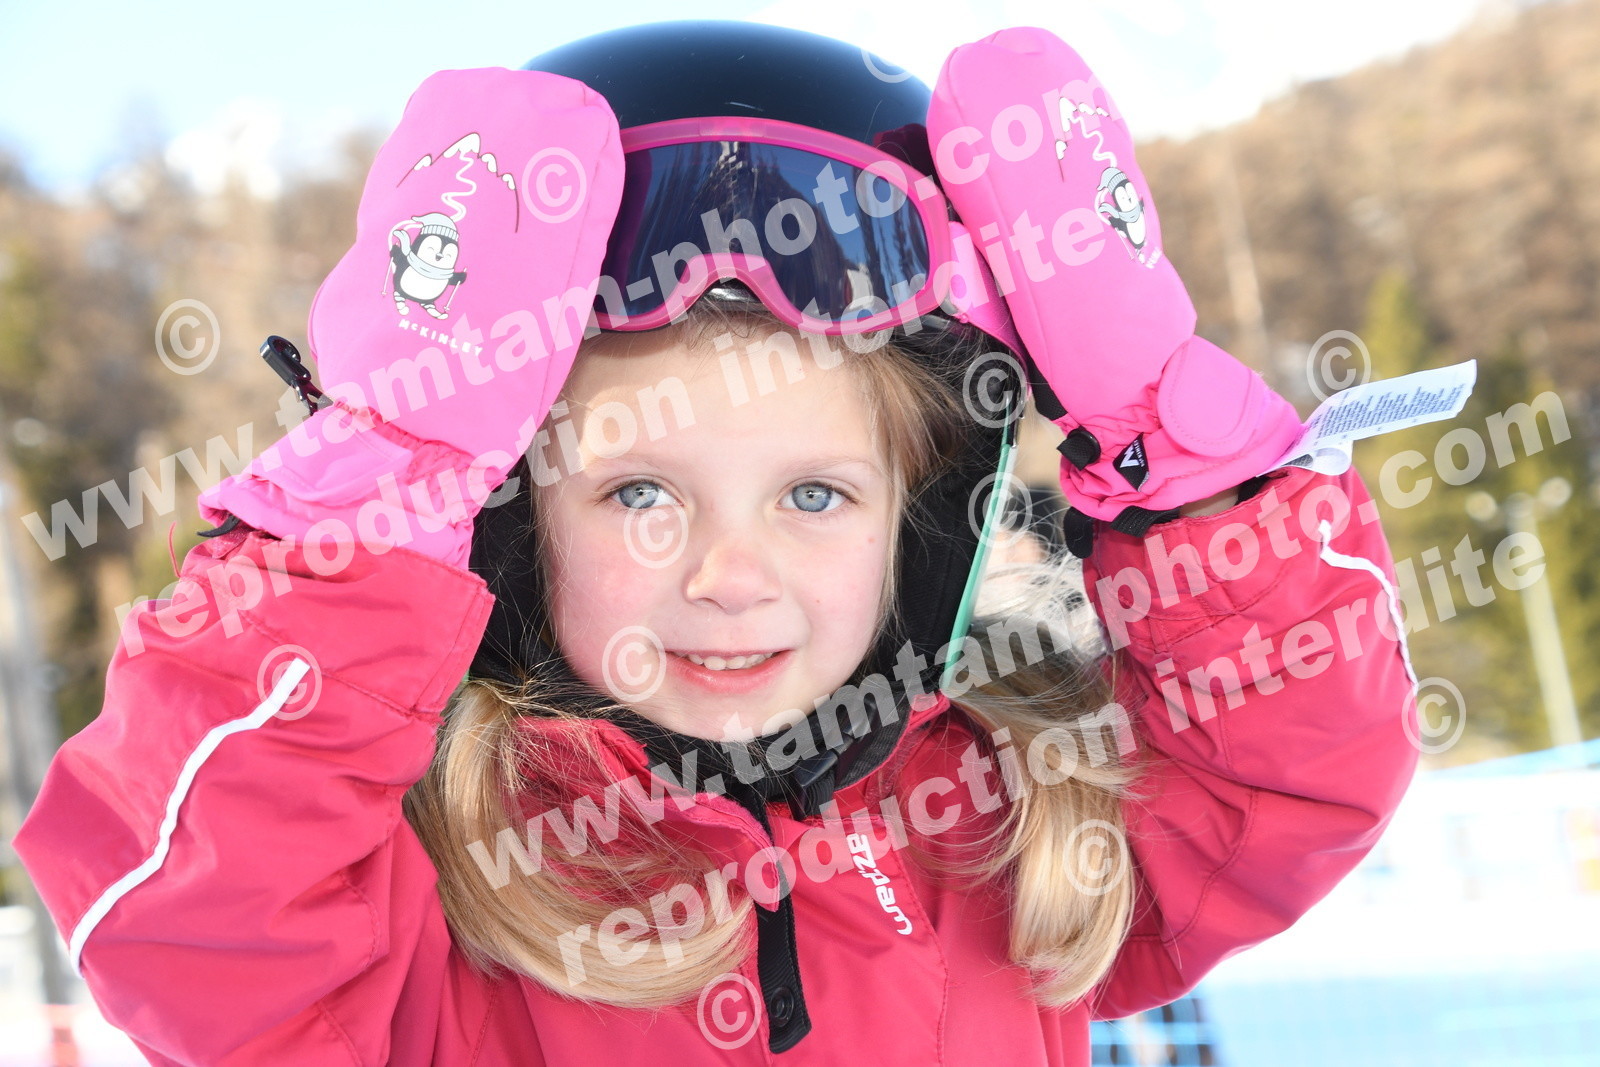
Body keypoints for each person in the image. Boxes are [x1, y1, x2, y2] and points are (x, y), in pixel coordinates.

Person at [14, 21, 1420, 1066]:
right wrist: (381, 485)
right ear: (511, 526)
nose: (730, 577)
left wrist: (1172, 437)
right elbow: (186, 916)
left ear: (922, 528)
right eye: (640, 494)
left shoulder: (1007, 826)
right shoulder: (435, 880)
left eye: (814, 497)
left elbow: (1295, 772)